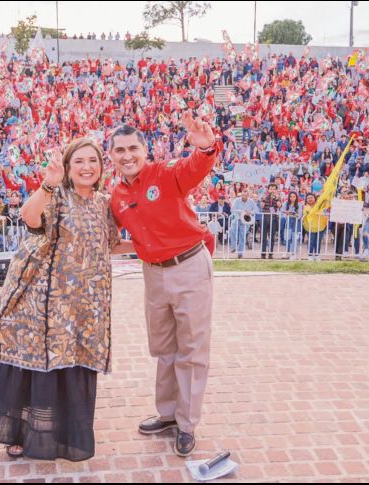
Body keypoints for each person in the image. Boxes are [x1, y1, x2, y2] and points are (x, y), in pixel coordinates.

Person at [0, 138, 130, 462]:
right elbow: (30, 219)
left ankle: (63, 433)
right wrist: (48, 182)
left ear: (101, 167)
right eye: (79, 162)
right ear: (69, 167)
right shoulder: (56, 195)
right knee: (38, 366)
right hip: (44, 302)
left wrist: (154, 245)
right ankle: (21, 433)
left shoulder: (105, 203)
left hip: (84, 305)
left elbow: (110, 244)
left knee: (71, 364)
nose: (87, 167)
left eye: (93, 161)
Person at [109, 112, 217, 457]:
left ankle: (186, 424)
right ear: (111, 156)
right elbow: (113, 238)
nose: (127, 156)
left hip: (189, 266)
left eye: (132, 148)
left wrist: (206, 148)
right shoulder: (116, 196)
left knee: (192, 349)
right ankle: (168, 414)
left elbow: (194, 168)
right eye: (119, 150)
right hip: (153, 273)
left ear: (145, 149)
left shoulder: (166, 173)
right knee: (164, 348)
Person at [230, 189, 258, 259]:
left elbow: (256, 210)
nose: (244, 196)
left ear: (248, 195)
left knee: (242, 236)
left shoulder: (251, 202)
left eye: (245, 195)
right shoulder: (237, 200)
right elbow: (232, 209)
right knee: (232, 231)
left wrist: (250, 212)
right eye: (243, 195)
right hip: (237, 219)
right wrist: (242, 211)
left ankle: (240, 253)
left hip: (245, 221)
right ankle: (233, 247)